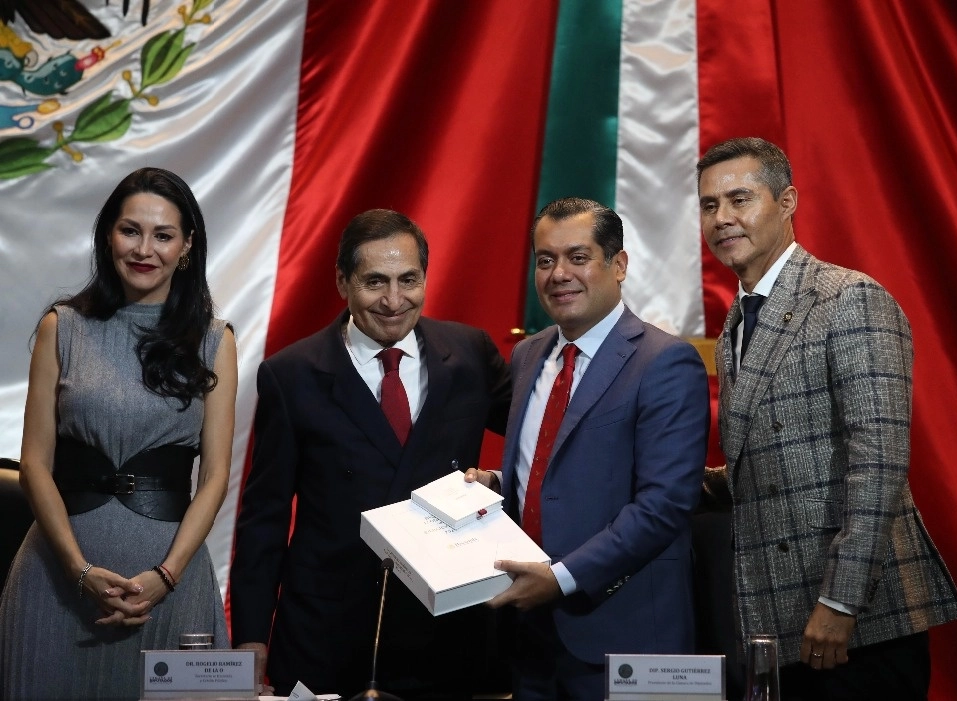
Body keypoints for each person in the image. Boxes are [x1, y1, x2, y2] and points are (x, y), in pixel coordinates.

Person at [697, 136, 957, 700]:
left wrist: (841, 600)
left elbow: (880, 462)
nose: (722, 218)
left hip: (858, 624)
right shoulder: (737, 325)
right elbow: (773, 459)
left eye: (740, 199)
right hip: (781, 616)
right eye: (709, 205)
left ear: (788, 201)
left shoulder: (849, 298)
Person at [229, 208, 512, 699]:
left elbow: (547, 448)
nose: (394, 300)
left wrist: (500, 482)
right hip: (329, 632)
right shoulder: (291, 374)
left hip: (449, 632)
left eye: (409, 280)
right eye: (375, 282)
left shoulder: (470, 354)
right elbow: (264, 517)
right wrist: (252, 636)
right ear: (342, 281)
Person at [0, 167, 237, 700]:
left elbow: (216, 476)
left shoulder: (215, 340)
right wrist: (78, 572)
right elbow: (34, 464)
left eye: (163, 235)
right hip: (56, 584)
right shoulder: (60, 327)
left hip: (174, 588)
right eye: (130, 230)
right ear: (108, 234)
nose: (144, 249)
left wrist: (166, 576)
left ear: (187, 246)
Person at [466, 197, 710, 700]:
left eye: (578, 257)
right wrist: (498, 482)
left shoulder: (665, 361)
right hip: (528, 636)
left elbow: (666, 504)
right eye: (545, 259)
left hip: (626, 637)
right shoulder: (528, 354)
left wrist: (562, 578)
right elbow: (554, 468)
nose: (559, 274)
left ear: (618, 265)